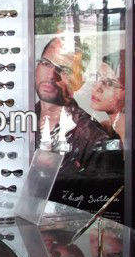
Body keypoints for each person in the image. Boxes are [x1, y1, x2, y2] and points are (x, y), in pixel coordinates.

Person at [35, 36, 119, 175]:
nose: (51, 75)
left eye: (63, 69)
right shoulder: (22, 120)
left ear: (78, 81)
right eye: (46, 63)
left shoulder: (92, 138)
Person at [91, 50, 125, 147]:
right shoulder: (106, 128)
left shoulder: (127, 135)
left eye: (109, 83)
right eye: (97, 77)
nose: (97, 88)